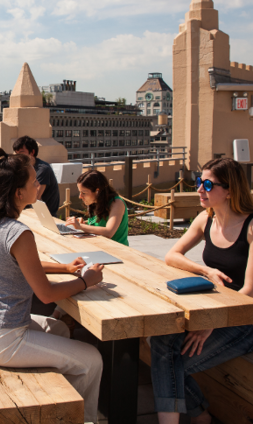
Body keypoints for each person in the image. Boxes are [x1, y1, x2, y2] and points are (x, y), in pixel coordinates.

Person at [0, 148, 104, 423]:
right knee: (92, 360)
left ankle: (63, 395)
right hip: (3, 337)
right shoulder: (19, 233)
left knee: (60, 328)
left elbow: (21, 264)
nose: (39, 186)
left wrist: (65, 268)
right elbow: (46, 293)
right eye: (33, 183)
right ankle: (82, 419)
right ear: (19, 193)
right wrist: (84, 281)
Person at [149, 158, 253, 424]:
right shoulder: (206, 219)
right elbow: (172, 255)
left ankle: (198, 415)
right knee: (161, 343)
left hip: (245, 319)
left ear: (230, 190)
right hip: (216, 310)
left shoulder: (250, 227)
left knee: (171, 362)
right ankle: (199, 415)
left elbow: (249, 292)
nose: (199, 189)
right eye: (199, 182)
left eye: (208, 184)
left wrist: (212, 322)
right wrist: (206, 271)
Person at [66, 169, 129, 246]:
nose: (80, 196)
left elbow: (109, 232)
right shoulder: (95, 202)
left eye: (84, 193)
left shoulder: (117, 203)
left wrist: (80, 226)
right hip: (100, 248)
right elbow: (100, 224)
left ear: (97, 191)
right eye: (80, 192)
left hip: (117, 251)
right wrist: (84, 223)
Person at [13, 136, 60, 217]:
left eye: (21, 152)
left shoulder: (43, 169)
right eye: (16, 153)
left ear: (32, 152)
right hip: (30, 211)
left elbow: (35, 197)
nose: (18, 156)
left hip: (46, 216)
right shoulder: (22, 168)